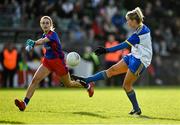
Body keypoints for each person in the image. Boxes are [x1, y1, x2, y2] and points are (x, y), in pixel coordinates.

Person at [72, 7, 152, 115]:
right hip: (134, 55)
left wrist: (106, 50)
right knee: (112, 70)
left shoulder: (139, 34)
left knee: (126, 86)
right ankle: (86, 80)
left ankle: (137, 109)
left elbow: (123, 45)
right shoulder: (140, 29)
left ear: (133, 21)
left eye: (128, 20)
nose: (127, 22)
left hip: (141, 61)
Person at [15, 16, 94, 111]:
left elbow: (43, 41)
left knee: (68, 84)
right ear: (41, 25)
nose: (45, 25)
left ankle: (87, 85)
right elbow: (41, 40)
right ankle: (24, 103)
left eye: (47, 23)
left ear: (51, 25)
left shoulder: (53, 35)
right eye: (43, 23)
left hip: (58, 63)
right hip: (47, 62)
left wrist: (34, 42)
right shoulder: (44, 35)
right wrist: (32, 45)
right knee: (35, 80)